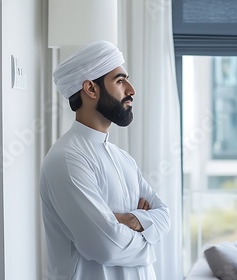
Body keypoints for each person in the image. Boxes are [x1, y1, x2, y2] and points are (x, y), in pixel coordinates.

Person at [40, 40, 170, 280]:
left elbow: (164, 215)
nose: (131, 90)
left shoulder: (124, 159)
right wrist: (147, 233)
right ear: (91, 89)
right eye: (120, 81)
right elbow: (106, 247)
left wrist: (128, 220)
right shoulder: (67, 159)